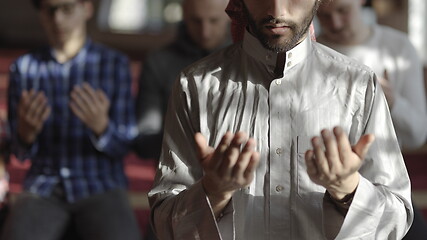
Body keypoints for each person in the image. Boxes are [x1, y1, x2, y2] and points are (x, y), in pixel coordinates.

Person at [148, 0, 413, 239]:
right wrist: (213, 192)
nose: (277, 11)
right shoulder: (195, 86)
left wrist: (348, 189)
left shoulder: (357, 85)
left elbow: (397, 217)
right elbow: (164, 223)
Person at [1, 0, 142, 239]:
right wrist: (25, 135)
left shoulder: (114, 64)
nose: (58, 20)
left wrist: (102, 128)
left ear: (87, 8)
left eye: (67, 9)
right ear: (41, 14)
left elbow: (125, 146)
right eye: (50, 11)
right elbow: (19, 152)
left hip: (101, 184)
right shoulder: (23, 69)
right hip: (43, 186)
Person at [316, 0, 427, 150]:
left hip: (383, 170)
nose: (336, 24)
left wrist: (392, 102)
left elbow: (418, 135)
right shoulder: (311, 51)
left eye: (343, 11)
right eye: (324, 15)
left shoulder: (400, 48)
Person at [134, 0, 231, 160]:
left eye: (214, 20)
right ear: (184, 15)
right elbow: (144, 143)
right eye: (196, 21)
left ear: (230, 16)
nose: (205, 31)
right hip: (176, 173)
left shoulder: (247, 60)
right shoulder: (159, 62)